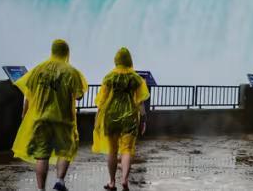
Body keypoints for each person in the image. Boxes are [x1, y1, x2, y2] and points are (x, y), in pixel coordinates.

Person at [12, 39, 88, 191]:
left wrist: (24, 114)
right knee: (65, 150)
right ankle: (59, 182)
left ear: (52, 51)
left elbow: (28, 95)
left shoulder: (38, 69)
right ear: (66, 52)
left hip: (40, 118)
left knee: (42, 155)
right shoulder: (71, 72)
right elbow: (79, 96)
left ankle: (41, 189)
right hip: (63, 119)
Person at [92, 47, 150, 191]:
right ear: (129, 60)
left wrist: (97, 118)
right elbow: (140, 102)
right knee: (127, 150)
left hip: (111, 116)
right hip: (130, 117)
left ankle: (112, 182)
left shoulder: (109, 77)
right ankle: (124, 179)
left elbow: (101, 101)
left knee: (112, 151)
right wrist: (143, 119)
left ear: (116, 60)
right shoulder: (136, 79)